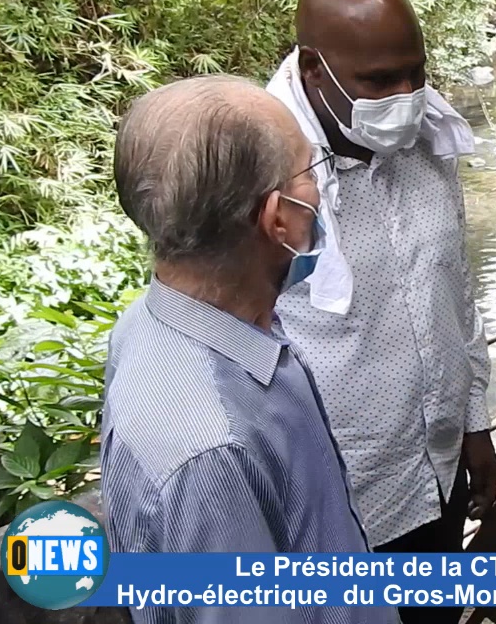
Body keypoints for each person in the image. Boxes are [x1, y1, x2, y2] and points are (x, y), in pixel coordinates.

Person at [101, 75, 399, 624]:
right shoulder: (210, 453)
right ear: (277, 218)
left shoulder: (159, 325)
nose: (320, 190)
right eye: (310, 172)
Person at [265, 0, 496, 624]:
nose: (405, 94)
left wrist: (474, 425)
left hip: (439, 471)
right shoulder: (262, 174)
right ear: (314, 68)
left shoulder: (429, 144)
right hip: (339, 500)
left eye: (415, 73)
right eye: (378, 81)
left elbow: (457, 292)